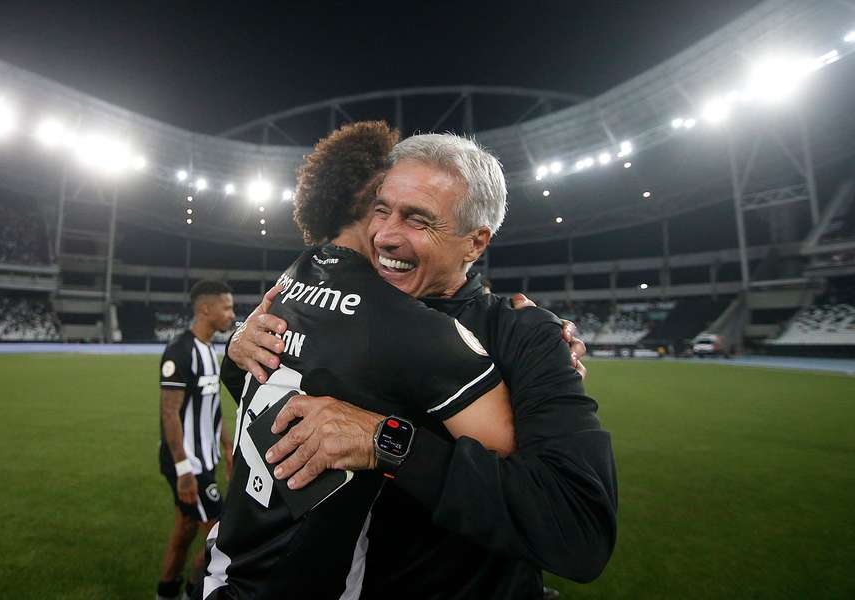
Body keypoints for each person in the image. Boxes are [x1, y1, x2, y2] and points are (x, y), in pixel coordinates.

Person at [228, 133, 618, 599]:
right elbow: (275, 403)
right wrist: (238, 349)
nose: (385, 235)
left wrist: (386, 440)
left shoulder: (524, 336)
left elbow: (577, 528)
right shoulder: (348, 306)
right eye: (381, 209)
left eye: (418, 220)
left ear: (475, 243)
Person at [202, 121, 515, 600]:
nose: (394, 230)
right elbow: (505, 450)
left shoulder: (289, 282)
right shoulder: (412, 327)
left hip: (223, 565)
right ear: (374, 200)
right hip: (300, 585)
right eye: (391, 204)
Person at [157, 280, 236, 600]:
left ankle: (165, 592)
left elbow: (212, 405)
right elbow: (169, 413)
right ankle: (194, 594)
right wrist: (184, 469)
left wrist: (227, 447)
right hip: (189, 463)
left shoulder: (209, 349)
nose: (232, 314)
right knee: (219, 542)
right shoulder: (180, 349)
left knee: (185, 531)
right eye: (226, 307)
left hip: (205, 458)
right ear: (205, 309)